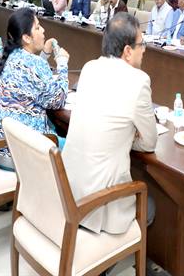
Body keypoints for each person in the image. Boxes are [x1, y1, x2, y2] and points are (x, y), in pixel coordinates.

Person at [62, 12, 157, 234]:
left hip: (69, 192)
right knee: (150, 206)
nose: (144, 50)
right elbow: (150, 143)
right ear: (127, 51)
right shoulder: (139, 80)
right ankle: (109, 254)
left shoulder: (89, 67)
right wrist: (128, 137)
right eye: (141, 44)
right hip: (99, 204)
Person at [0, 8, 70, 171]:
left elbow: (32, 81)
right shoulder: (35, 65)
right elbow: (59, 100)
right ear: (26, 38)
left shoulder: (12, 56)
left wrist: (44, 54)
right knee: (77, 147)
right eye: (38, 27)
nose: (43, 30)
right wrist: (62, 64)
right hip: (19, 155)